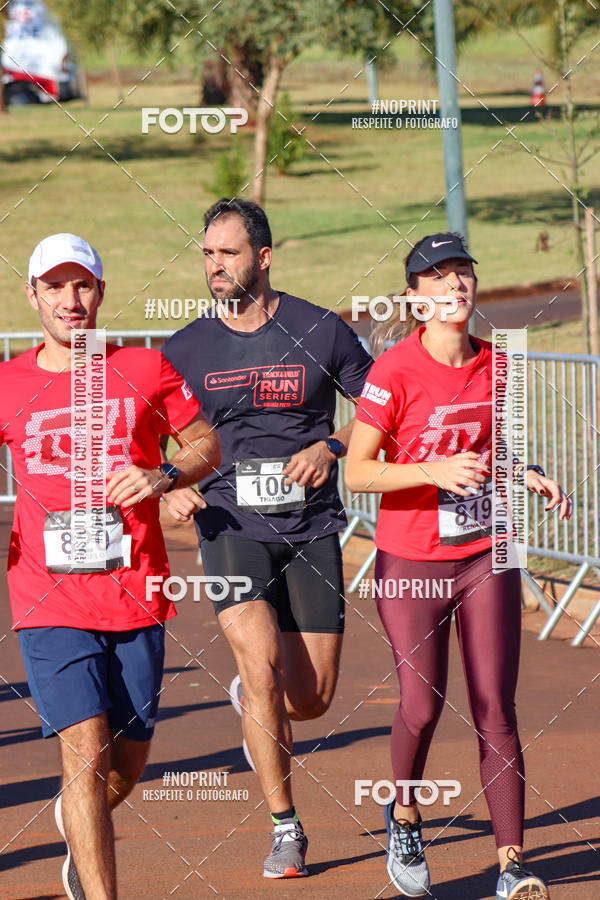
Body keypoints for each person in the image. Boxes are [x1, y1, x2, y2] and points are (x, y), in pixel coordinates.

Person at [344, 232, 571, 900]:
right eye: (436, 277)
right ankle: (406, 814)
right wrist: (431, 469)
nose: (454, 285)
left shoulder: (499, 367)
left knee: (495, 706)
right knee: (420, 704)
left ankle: (511, 864)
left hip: (484, 555)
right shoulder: (392, 372)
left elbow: (497, 450)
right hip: (412, 562)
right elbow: (357, 471)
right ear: (414, 298)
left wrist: (527, 473)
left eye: (463, 273)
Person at [3, 233, 220, 900]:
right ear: (32, 294)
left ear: (100, 292)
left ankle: (80, 832)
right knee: (85, 749)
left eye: (83, 285)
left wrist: (163, 474)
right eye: (56, 287)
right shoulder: (8, 380)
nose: (71, 300)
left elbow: (207, 443)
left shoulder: (144, 370)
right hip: (48, 599)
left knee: (123, 764)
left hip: (135, 594)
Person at [161, 198, 373, 879]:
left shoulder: (321, 329)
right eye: (207, 254)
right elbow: (162, 437)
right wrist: (173, 484)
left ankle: (260, 708)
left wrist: (332, 448)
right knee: (261, 672)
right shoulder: (186, 347)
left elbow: (379, 410)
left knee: (310, 700)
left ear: (264, 257)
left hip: (311, 526)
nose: (214, 265)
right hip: (229, 525)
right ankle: (286, 826)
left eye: (227, 253)